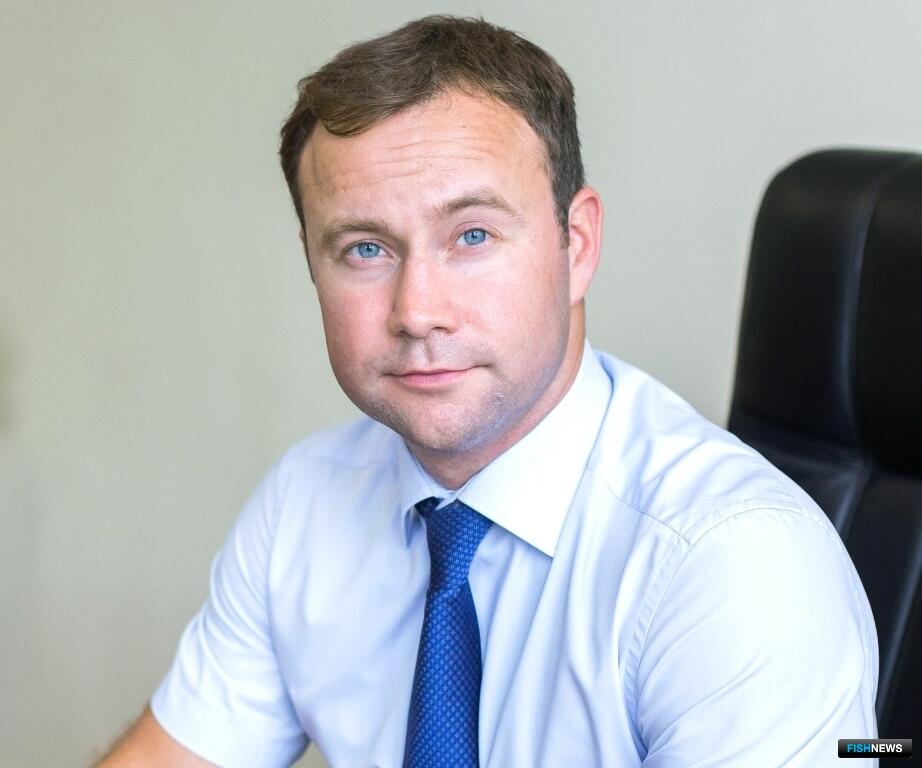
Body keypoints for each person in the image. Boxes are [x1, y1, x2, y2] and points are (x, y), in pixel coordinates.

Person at [98, 15, 878, 768]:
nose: (416, 312)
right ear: (311, 263)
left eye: (472, 235)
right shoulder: (305, 503)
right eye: (365, 249)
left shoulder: (732, 563)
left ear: (577, 245)